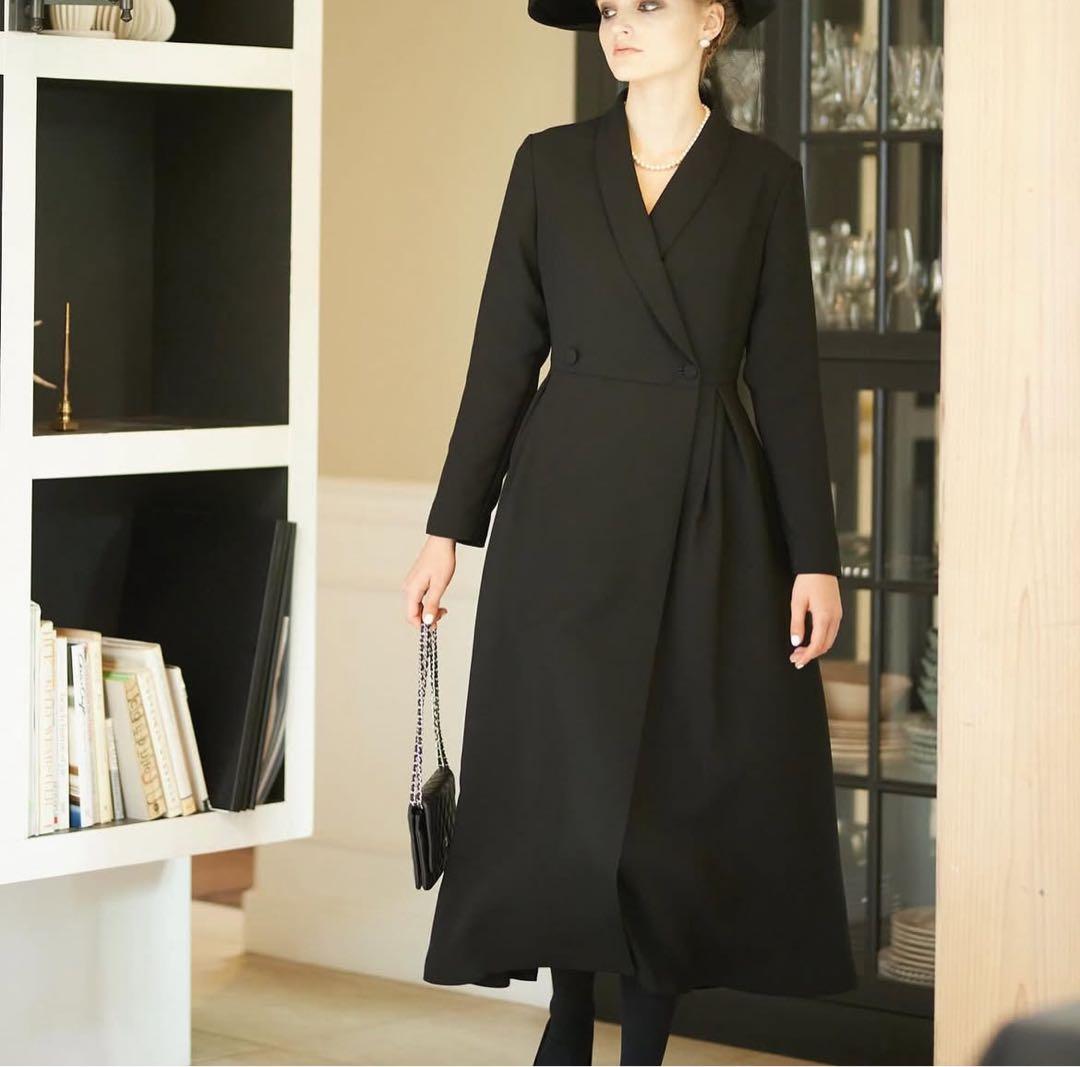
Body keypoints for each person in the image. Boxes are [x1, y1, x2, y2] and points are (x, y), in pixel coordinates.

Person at [402, 0, 857, 1063]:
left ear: (712, 21)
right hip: (561, 514)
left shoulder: (763, 179)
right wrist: (447, 529)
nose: (621, 23)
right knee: (564, 781)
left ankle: (643, 1042)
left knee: (671, 796)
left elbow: (788, 381)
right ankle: (568, 1024)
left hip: (709, 513)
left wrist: (816, 558)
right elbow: (500, 357)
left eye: (649, 4)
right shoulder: (550, 165)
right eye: (611, 7)